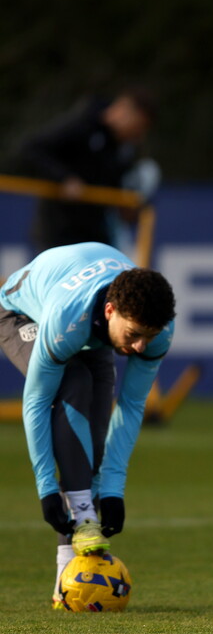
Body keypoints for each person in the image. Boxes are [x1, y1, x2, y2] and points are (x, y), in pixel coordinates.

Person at [0, 242, 176, 608]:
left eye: (150, 336)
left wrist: (113, 489)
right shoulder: (68, 319)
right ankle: (82, 517)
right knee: (74, 382)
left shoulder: (158, 329)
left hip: (88, 313)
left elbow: (129, 407)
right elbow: (34, 403)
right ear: (111, 311)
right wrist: (47, 488)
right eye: (134, 335)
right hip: (19, 313)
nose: (141, 347)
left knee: (90, 443)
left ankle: (65, 583)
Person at [18, 86, 158, 254]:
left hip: (96, 232)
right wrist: (64, 178)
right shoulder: (83, 124)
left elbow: (114, 181)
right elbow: (32, 149)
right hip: (60, 229)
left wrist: (124, 204)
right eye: (138, 126)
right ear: (125, 111)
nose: (139, 134)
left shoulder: (123, 147)